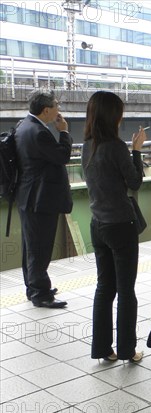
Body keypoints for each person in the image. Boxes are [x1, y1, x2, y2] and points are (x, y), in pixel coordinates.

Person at [81, 91, 146, 362]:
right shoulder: (117, 147)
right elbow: (135, 183)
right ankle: (128, 350)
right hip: (121, 225)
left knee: (104, 287)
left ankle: (102, 349)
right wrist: (137, 151)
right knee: (126, 290)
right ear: (114, 116)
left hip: (98, 224)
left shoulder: (86, 145)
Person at [14, 90, 72, 308]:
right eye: (56, 105)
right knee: (40, 248)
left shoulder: (23, 126)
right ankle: (41, 294)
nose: (58, 109)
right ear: (46, 110)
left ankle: (33, 287)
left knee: (31, 246)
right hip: (40, 199)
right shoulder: (39, 132)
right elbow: (62, 156)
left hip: (27, 196)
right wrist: (64, 132)